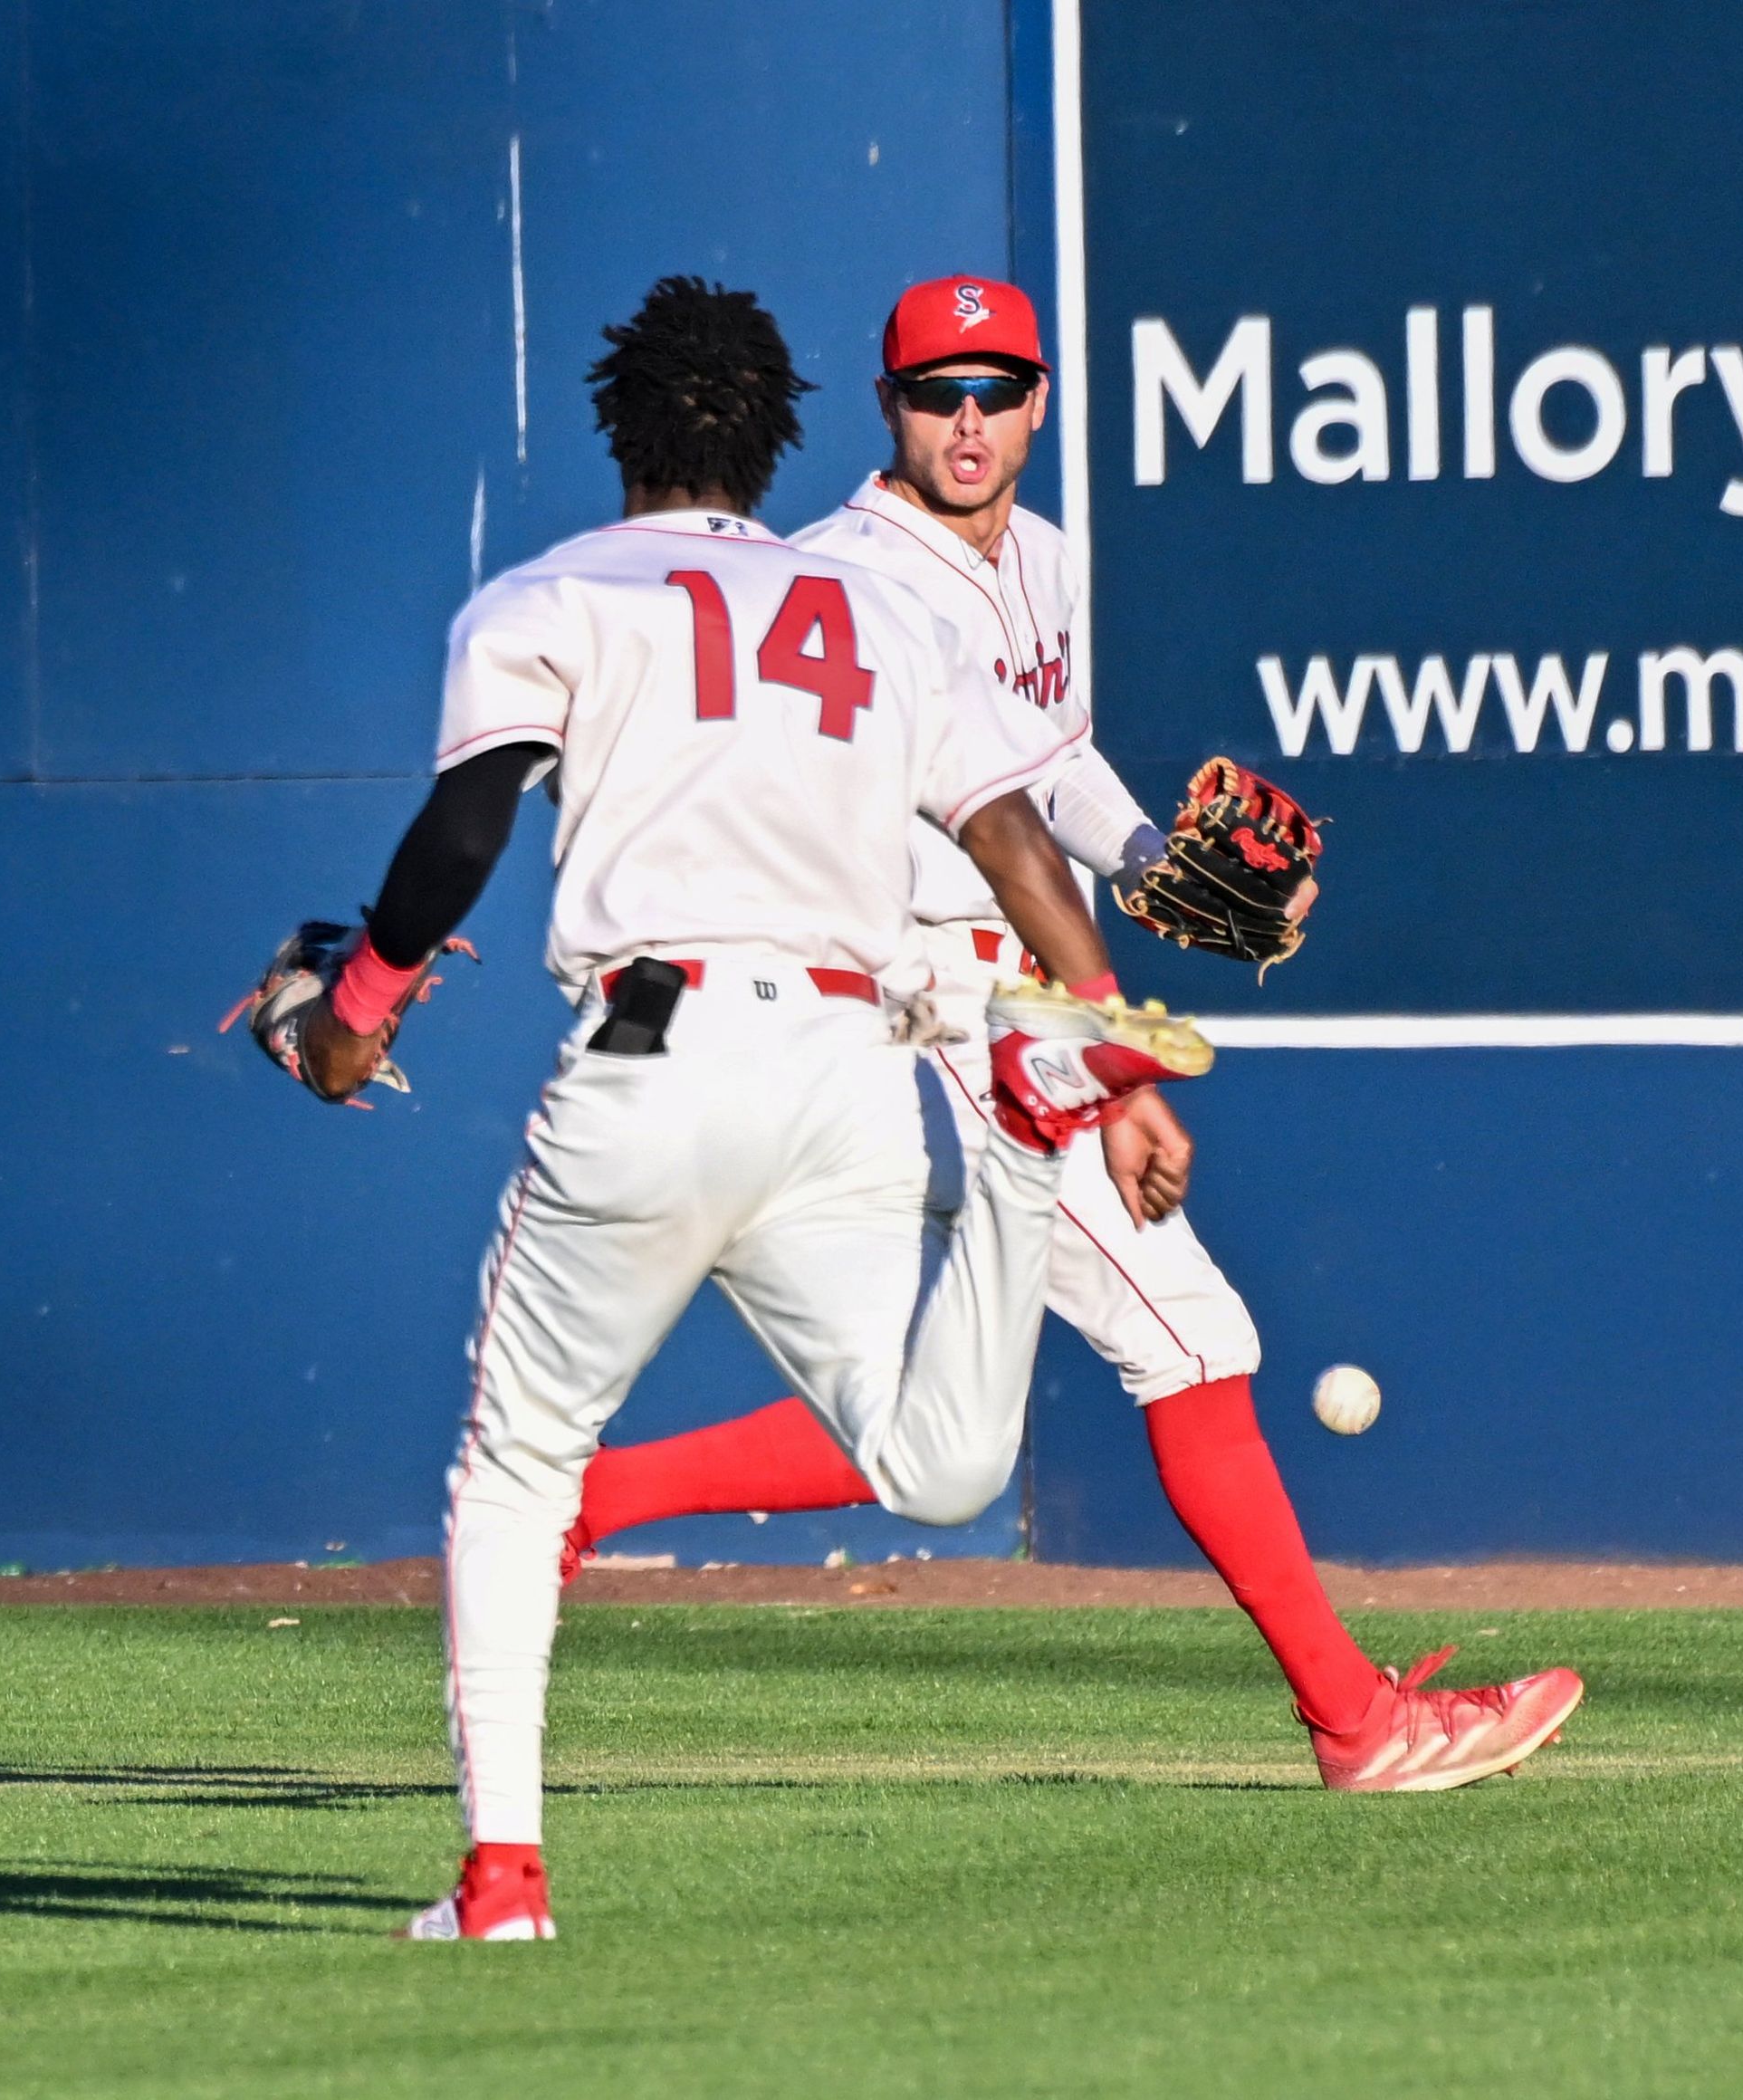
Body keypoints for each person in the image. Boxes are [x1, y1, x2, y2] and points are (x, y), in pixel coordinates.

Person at [270, 276, 1214, 1939]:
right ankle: (1019, 1138)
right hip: (852, 1075)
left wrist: (359, 1010)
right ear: (784, 439)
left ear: (620, 431)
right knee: (933, 1466)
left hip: (656, 1047)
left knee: (519, 1472)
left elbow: (466, 834)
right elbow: (1014, 845)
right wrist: (1117, 1064)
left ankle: (503, 1881)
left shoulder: (550, 593)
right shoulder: (879, 613)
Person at [558, 276, 1583, 1796]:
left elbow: (1048, 770)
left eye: (995, 390)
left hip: (980, 994)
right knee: (1195, 1340)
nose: (966, 423)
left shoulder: (1038, 557)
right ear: (889, 406)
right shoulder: (848, 573)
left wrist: (1158, 868)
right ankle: (1358, 1722)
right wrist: (1103, 1051)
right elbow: (926, 812)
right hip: (937, 1003)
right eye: (934, 394)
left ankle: (574, 1497)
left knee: (932, 1404)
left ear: (1039, 401)